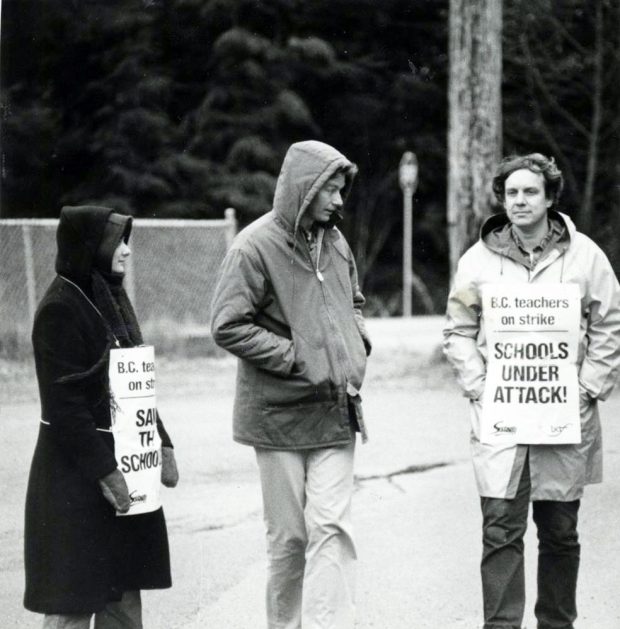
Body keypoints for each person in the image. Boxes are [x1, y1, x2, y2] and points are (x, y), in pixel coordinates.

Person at [443, 153, 620, 629]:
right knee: (500, 529)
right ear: (502, 199)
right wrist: (479, 385)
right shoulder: (478, 259)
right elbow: (458, 329)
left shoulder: (584, 256)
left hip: (563, 417)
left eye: (530, 192)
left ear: (549, 198)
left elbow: (610, 322)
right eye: (512, 193)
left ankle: (557, 623)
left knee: (560, 532)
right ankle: (501, 626)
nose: (520, 201)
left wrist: (588, 387)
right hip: (502, 419)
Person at [211, 140, 371, 629]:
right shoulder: (253, 246)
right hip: (277, 416)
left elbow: (355, 300)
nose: (339, 201)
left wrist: (356, 340)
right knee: (290, 540)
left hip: (335, 409)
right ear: (303, 187)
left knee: (332, 529)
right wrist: (296, 357)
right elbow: (226, 324)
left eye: (342, 190)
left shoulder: (336, 242)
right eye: (330, 190)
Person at [24, 205, 179, 628]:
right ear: (91, 247)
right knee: (73, 601)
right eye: (118, 242)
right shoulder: (61, 307)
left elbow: (134, 384)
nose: (127, 252)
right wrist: (106, 472)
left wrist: (160, 440)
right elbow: (64, 406)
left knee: (123, 596)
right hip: (76, 475)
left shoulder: (110, 297)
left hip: (124, 469)